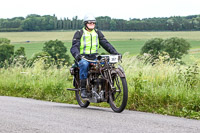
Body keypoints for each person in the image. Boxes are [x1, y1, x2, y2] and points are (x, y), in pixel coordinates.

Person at [70, 14, 120, 98]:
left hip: (94, 57)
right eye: (90, 23)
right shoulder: (79, 33)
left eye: (93, 23)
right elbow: (74, 47)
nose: (92, 24)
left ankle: (106, 88)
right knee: (84, 65)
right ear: (85, 23)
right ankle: (83, 89)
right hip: (83, 57)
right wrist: (77, 55)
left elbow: (105, 44)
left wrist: (115, 52)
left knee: (106, 65)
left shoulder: (97, 33)